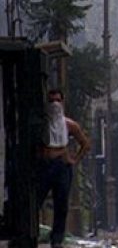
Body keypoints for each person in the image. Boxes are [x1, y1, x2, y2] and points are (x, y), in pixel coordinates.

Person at [37, 89, 89, 248]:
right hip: (45, 166)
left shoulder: (69, 125)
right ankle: (31, 233)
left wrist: (74, 160)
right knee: (36, 200)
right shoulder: (42, 124)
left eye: (58, 100)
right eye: (51, 101)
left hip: (62, 167)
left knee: (61, 204)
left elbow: (85, 144)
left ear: (62, 102)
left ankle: (57, 239)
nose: (55, 104)